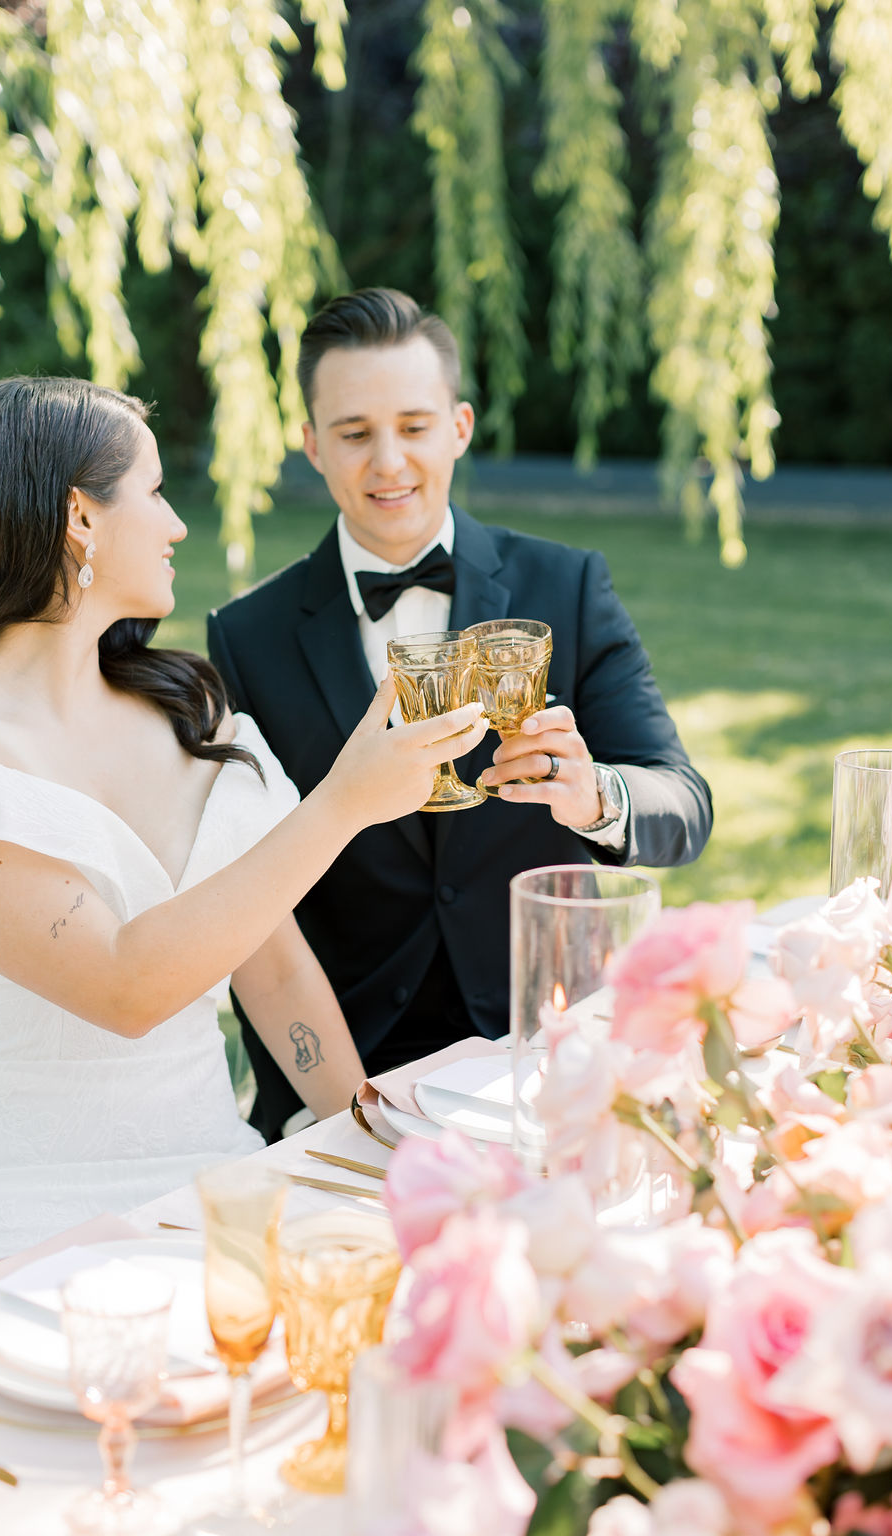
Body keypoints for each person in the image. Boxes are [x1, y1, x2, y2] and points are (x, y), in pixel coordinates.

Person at [0, 375, 487, 1285]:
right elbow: (125, 986)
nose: (176, 524)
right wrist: (344, 802)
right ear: (81, 518)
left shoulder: (183, 706)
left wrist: (367, 1139)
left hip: (210, 1180)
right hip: (8, 1215)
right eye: (153, 493)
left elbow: (270, 964)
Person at [208, 288, 713, 1140]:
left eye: (413, 426)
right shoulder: (248, 638)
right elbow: (253, 904)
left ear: (460, 427)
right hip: (353, 1078)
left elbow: (684, 811)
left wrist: (594, 798)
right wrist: (344, 1106)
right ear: (311, 446)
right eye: (355, 433)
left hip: (555, 1054)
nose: (389, 463)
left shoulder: (569, 588)